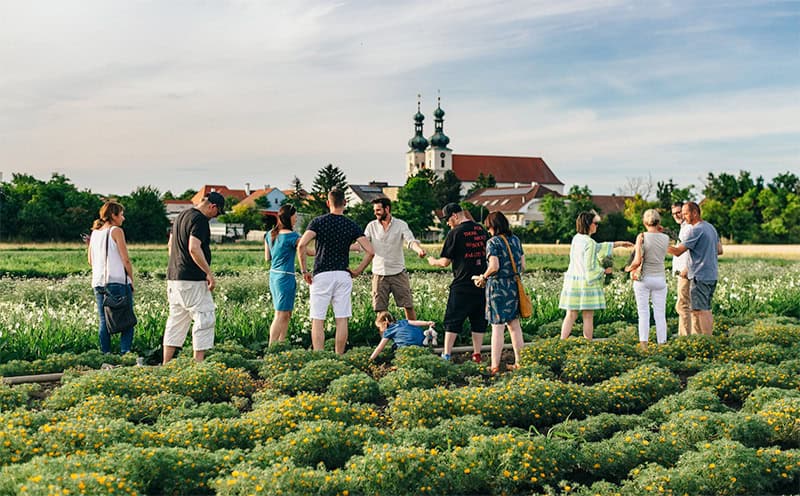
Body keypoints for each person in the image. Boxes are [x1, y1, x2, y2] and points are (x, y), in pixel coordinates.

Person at [297, 188, 374, 354]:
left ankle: (319, 357)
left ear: (328, 203)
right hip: (343, 274)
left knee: (318, 319)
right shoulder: (351, 224)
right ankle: (339, 356)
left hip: (321, 274)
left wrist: (304, 271)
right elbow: (370, 251)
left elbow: (302, 245)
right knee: (342, 319)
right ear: (345, 203)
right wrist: (358, 270)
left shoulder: (318, 222)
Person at [162, 192, 225, 363]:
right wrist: (208, 273)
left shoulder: (181, 216)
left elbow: (170, 245)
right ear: (212, 206)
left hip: (174, 277)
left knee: (176, 320)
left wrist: (177, 265)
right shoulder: (200, 220)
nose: (215, 217)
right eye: (218, 213)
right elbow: (194, 248)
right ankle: (198, 363)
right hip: (192, 278)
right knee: (205, 316)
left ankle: (166, 363)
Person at [427, 202, 488, 362]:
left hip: (462, 283)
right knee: (479, 320)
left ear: (455, 215)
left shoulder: (455, 233)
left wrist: (433, 261)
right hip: (482, 283)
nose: (447, 223)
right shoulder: (480, 230)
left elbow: (445, 262)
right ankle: (477, 354)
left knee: (453, 320)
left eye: (448, 219)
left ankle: (446, 354)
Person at [559, 211, 633, 340]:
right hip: (586, 284)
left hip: (573, 282)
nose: (597, 226)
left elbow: (599, 247)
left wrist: (619, 244)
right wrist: (604, 271)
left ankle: (561, 342)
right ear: (589, 224)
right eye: (595, 223)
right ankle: (588, 345)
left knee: (570, 315)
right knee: (588, 316)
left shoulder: (577, 238)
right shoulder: (590, 242)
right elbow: (590, 267)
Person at [472, 211, 525, 374]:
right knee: (514, 326)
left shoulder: (493, 242)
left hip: (498, 288)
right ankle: (520, 362)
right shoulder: (515, 240)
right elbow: (523, 266)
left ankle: (494, 366)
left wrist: (483, 276)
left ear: (494, 226)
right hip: (513, 286)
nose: (488, 231)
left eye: (488, 227)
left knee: (497, 327)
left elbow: (494, 267)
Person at [363, 197, 427, 320]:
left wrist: (419, 250)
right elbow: (363, 244)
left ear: (387, 209)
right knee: (380, 309)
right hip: (379, 273)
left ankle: (412, 335)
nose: (375, 213)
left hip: (398, 273)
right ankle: (385, 338)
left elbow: (410, 241)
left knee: (408, 305)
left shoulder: (400, 224)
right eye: (375, 210)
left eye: (378, 210)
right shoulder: (371, 226)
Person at [667, 202, 723, 335]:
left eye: (685, 213)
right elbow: (719, 250)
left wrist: (657, 243)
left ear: (695, 213)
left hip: (700, 275)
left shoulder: (695, 230)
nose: (683, 217)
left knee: (700, 311)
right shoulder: (710, 227)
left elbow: (677, 251)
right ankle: (704, 339)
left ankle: (706, 340)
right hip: (711, 274)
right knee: (705, 309)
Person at [88, 201, 135, 354]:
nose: (124, 218)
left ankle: (105, 354)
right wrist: (131, 279)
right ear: (113, 216)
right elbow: (125, 259)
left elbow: (90, 260)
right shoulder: (116, 231)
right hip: (117, 281)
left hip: (98, 282)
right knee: (127, 321)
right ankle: (125, 353)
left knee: (104, 321)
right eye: (121, 214)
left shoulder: (95, 232)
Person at [265, 204, 314, 345]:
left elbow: (267, 257)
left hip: (274, 276)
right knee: (280, 314)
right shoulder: (293, 237)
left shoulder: (269, 234)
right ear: (289, 217)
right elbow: (307, 251)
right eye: (295, 216)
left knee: (285, 313)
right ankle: (272, 346)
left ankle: (281, 343)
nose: (296, 219)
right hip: (285, 277)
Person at [624, 209, 670, 350]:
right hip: (660, 279)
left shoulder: (642, 236)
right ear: (659, 222)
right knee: (660, 315)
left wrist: (627, 269)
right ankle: (662, 345)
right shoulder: (666, 238)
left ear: (644, 222)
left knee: (643, 313)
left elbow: (637, 260)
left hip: (644, 279)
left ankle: (644, 346)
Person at [368, 311, 436, 360]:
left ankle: (400, 357)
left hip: (407, 348)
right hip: (421, 342)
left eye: (379, 327)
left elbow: (380, 348)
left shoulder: (388, 331)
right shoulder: (403, 321)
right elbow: (416, 322)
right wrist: (427, 323)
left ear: (384, 323)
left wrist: (371, 359)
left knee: (394, 347)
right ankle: (428, 339)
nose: (380, 329)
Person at [671, 202, 693, 336]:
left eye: (679, 212)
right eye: (673, 213)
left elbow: (690, 251)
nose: (677, 215)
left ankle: (685, 337)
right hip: (683, 272)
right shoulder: (683, 227)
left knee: (683, 305)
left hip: (686, 272)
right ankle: (688, 335)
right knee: (685, 304)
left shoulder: (689, 228)